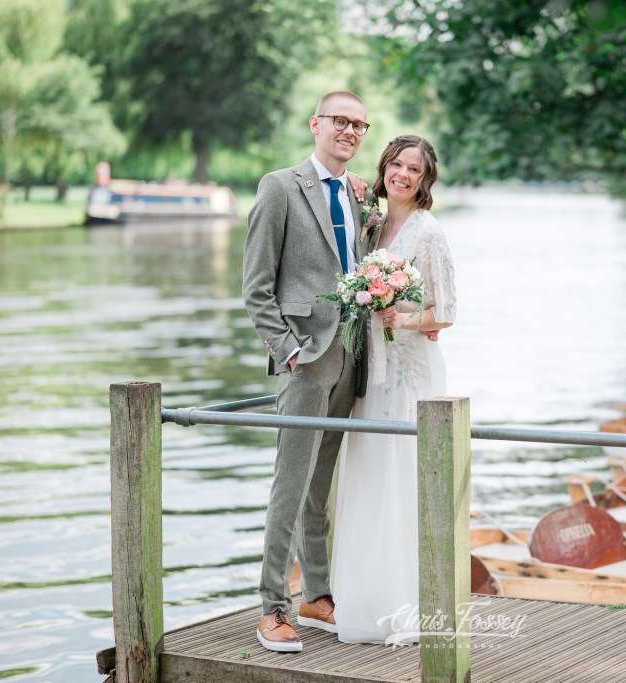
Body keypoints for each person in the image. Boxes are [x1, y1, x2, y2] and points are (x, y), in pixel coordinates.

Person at [243, 91, 372, 653]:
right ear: (315, 123)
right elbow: (256, 287)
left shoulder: (354, 191)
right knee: (290, 488)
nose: (349, 131)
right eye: (340, 121)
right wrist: (289, 350)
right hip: (307, 358)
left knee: (323, 487)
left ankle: (316, 597)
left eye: (359, 125)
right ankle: (272, 608)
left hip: (351, 357)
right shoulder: (280, 187)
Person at [330, 135, 457, 645]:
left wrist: (398, 319)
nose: (404, 174)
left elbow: (444, 314)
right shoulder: (373, 224)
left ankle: (410, 602)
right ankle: (365, 603)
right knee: (368, 478)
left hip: (410, 373)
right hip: (371, 375)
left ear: (425, 181)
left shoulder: (429, 232)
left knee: (404, 479)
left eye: (415, 169)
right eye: (397, 165)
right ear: (384, 167)